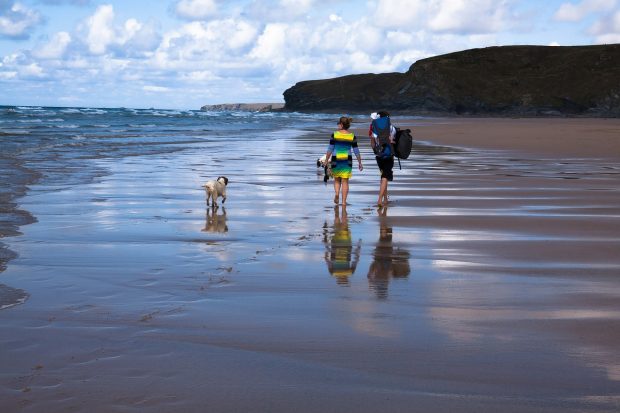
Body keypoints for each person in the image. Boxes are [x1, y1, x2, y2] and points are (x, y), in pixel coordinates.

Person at [325, 116, 363, 205]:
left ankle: (337, 194)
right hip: (347, 160)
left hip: (336, 159)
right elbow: (356, 150)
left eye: (339, 123)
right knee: (345, 181)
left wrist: (327, 159)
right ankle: (344, 202)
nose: (338, 125)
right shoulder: (352, 136)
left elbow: (330, 149)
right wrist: (360, 162)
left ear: (341, 125)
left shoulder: (334, 134)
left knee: (337, 180)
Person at [369, 111, 396, 207]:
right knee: (385, 176)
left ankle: (385, 198)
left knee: (383, 176)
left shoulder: (374, 127)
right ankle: (380, 200)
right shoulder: (391, 128)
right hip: (389, 155)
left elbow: (372, 142)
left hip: (379, 155)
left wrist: (375, 151)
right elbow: (392, 141)